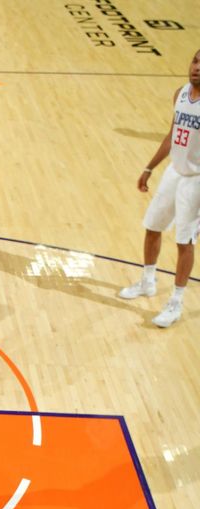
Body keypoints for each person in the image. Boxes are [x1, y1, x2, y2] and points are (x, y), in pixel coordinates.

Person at [118, 49, 200, 328]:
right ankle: (148, 281)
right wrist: (149, 167)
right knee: (153, 226)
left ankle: (176, 303)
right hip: (174, 172)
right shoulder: (180, 94)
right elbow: (172, 135)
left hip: (196, 180)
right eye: (195, 60)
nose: (196, 68)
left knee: (184, 241)